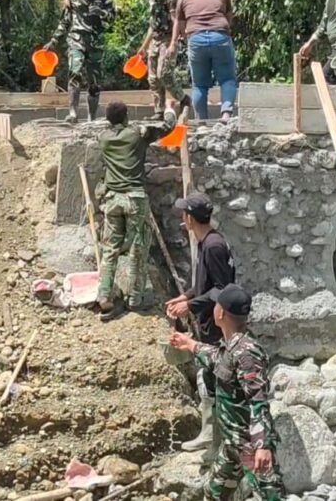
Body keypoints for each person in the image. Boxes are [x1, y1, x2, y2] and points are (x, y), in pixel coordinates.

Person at [169, 284, 283, 501]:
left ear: (220, 313)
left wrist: (263, 446)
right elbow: (219, 359)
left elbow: (258, 401)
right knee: (213, 493)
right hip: (232, 445)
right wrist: (190, 344)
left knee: (271, 496)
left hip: (249, 447)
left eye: (215, 304)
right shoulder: (232, 346)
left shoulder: (248, 354)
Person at [165, 192, 236, 454]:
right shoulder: (207, 242)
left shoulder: (213, 246)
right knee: (207, 375)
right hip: (210, 320)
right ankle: (211, 433)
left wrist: (191, 306)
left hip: (217, 324)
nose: (183, 219)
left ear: (190, 218)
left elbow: (222, 288)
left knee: (213, 374)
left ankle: (214, 436)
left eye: (184, 214)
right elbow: (203, 284)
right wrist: (185, 296)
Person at [96, 99, 178, 321]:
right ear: (126, 117)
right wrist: (169, 108)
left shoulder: (103, 138)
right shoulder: (137, 134)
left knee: (110, 249)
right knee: (138, 247)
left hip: (112, 199)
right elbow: (168, 127)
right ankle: (135, 298)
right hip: (135, 198)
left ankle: (104, 295)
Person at [44, 0, 117, 123]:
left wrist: (101, 13)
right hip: (76, 39)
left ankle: (92, 117)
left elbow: (113, 18)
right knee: (74, 73)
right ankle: (73, 113)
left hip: (95, 42)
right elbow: (65, 21)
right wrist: (54, 40)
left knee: (94, 81)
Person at [168, 0, 236, 121]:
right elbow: (229, 17)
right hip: (220, 36)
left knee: (199, 85)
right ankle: (226, 114)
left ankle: (202, 122)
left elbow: (179, 23)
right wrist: (224, 33)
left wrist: (175, 43)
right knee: (227, 79)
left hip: (196, 39)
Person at [136, 0, 188, 119]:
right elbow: (152, 26)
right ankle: (158, 111)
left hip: (167, 39)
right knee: (153, 78)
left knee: (164, 74)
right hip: (155, 40)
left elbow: (175, 21)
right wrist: (144, 46)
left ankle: (183, 99)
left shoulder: (171, 0)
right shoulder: (153, 2)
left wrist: (174, 42)